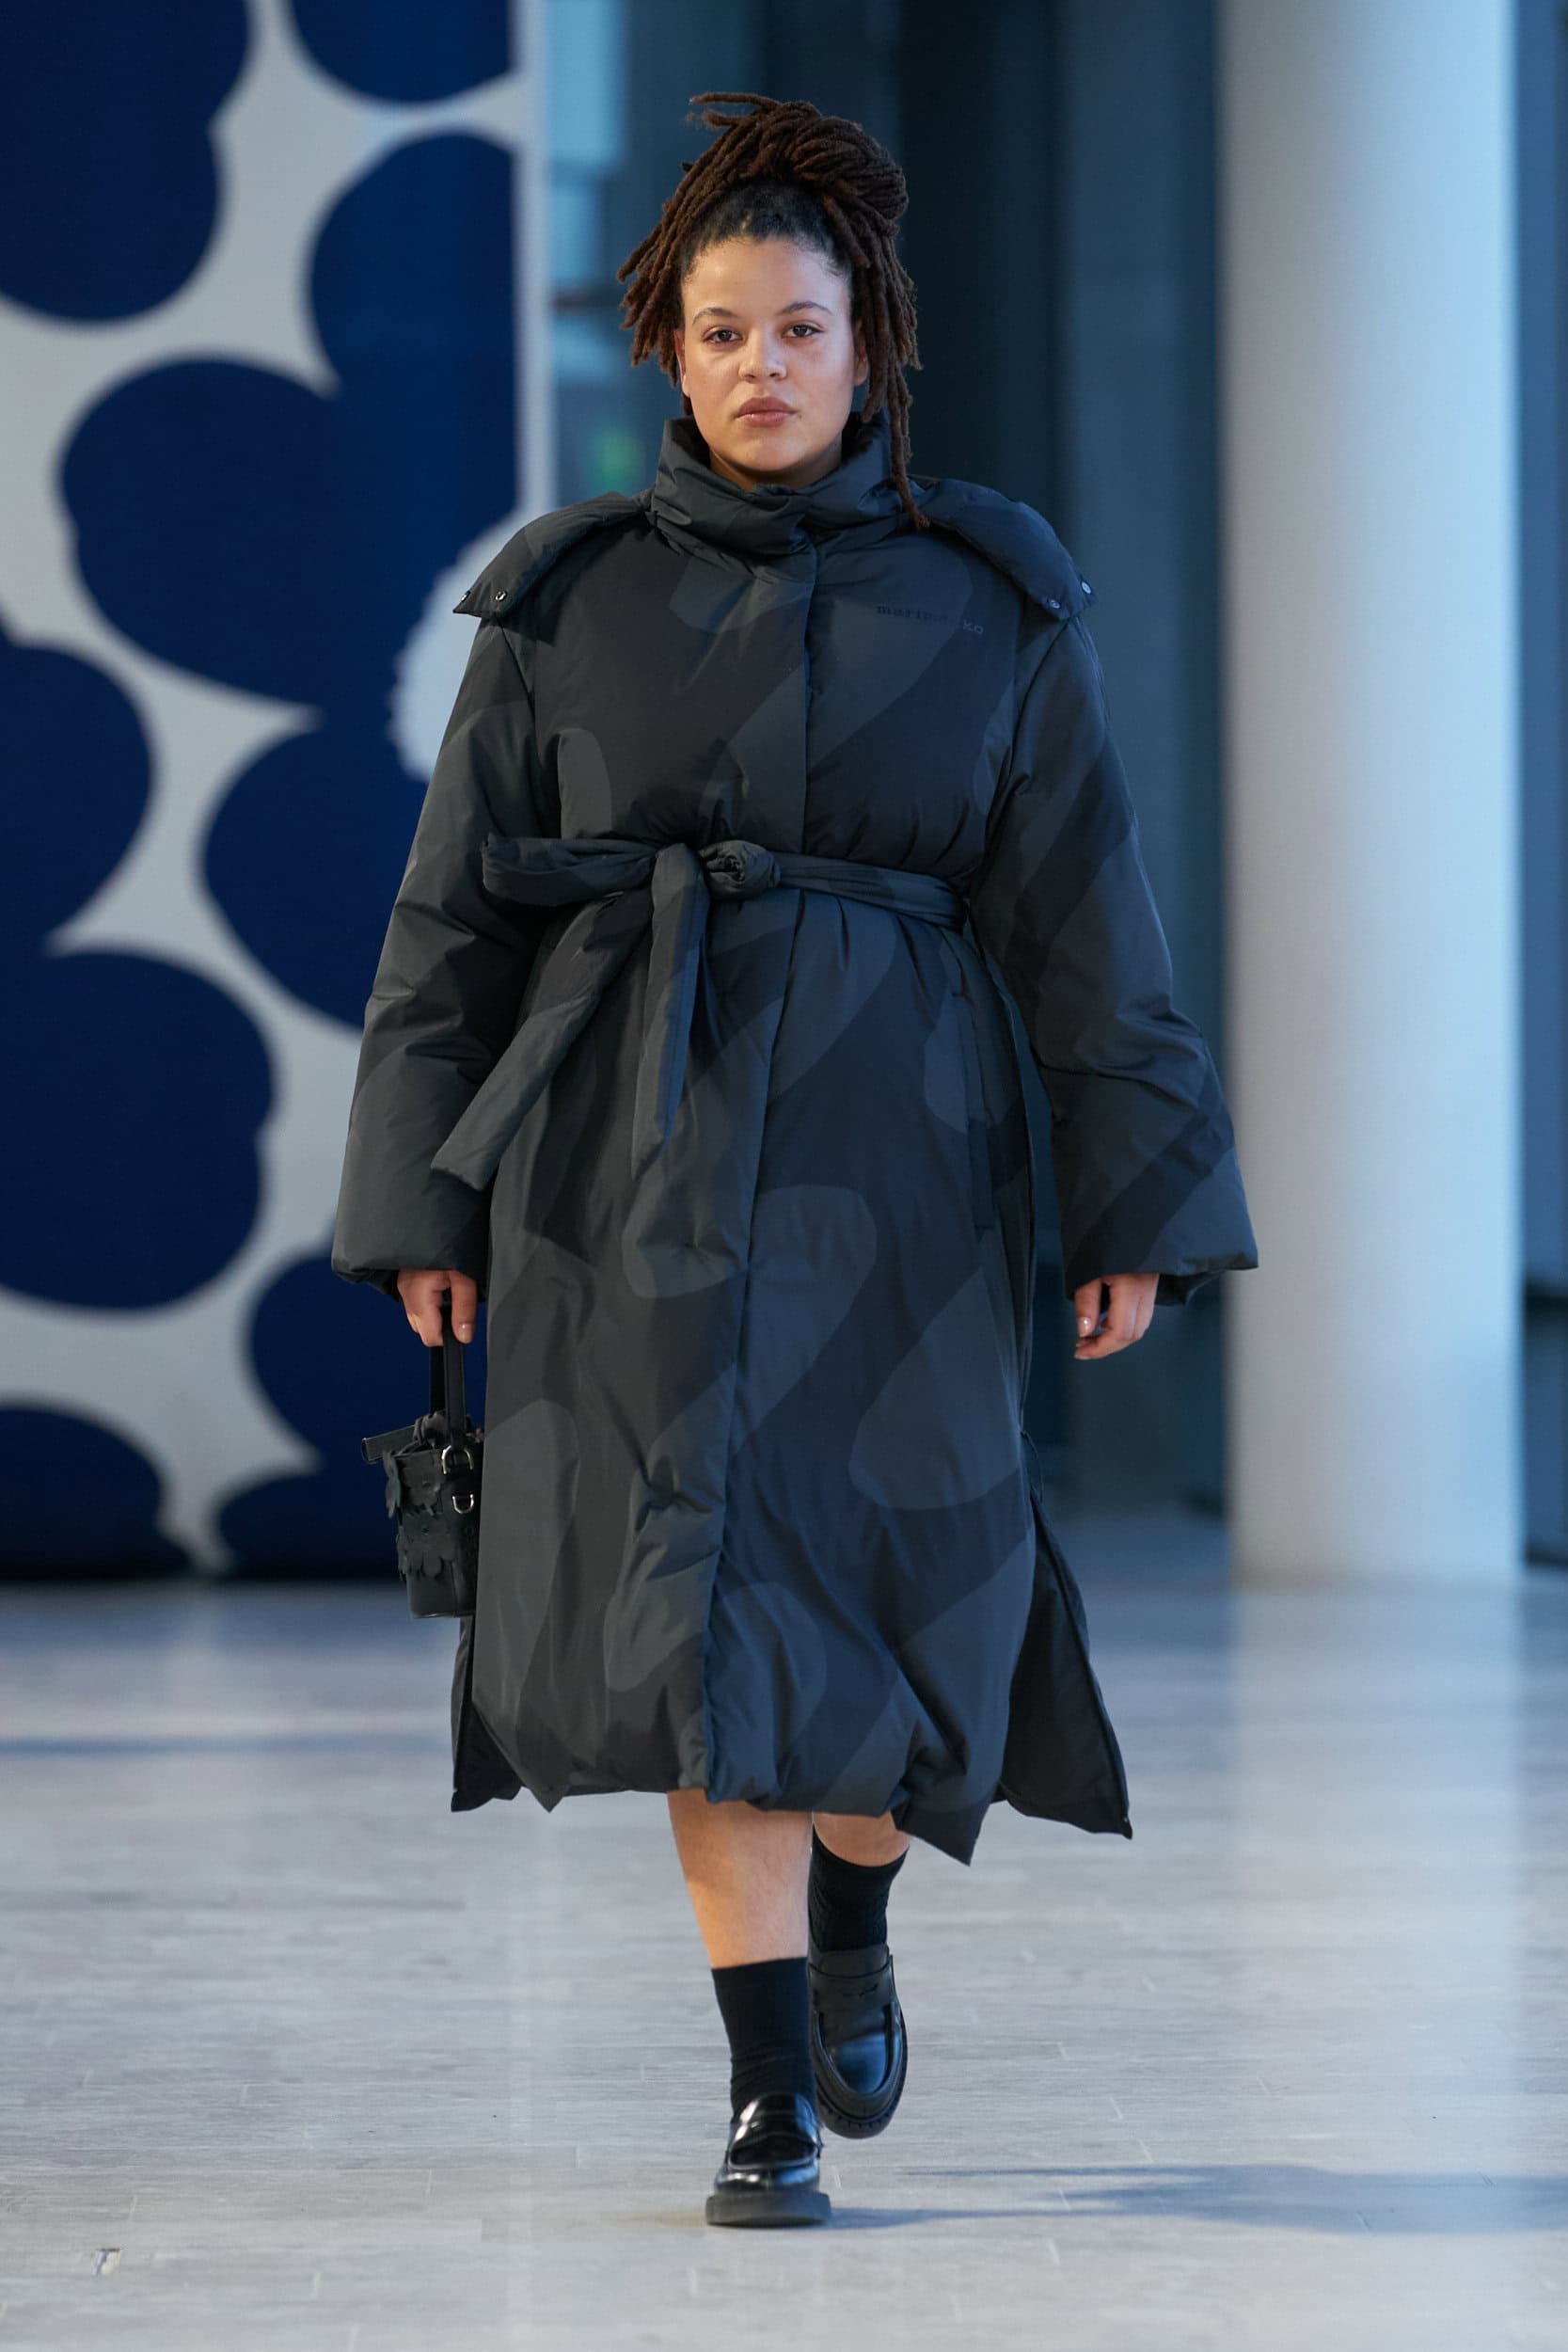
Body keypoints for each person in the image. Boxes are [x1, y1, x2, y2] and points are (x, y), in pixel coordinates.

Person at [331, 90, 1258, 2230]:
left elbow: (1088, 923)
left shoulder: (992, 600)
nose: (762, 365)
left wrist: (1136, 1204)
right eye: (725, 330)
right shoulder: (564, 604)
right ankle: (767, 2096)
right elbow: (448, 921)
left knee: (901, 1605)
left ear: (870, 347)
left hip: (906, 1161)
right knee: (692, 1622)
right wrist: (422, 1201)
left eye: (802, 329)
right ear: (670, 349)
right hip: (617, 1161)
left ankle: (855, 1909)